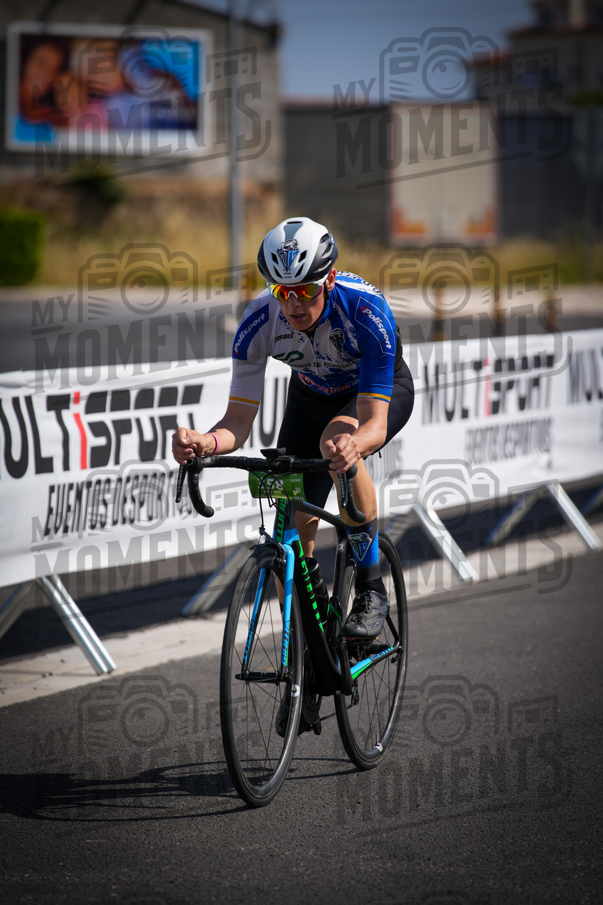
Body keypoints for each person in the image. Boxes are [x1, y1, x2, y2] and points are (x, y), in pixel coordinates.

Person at [172, 217, 414, 642]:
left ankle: (371, 587)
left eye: (305, 290)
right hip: (309, 396)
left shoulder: (365, 310)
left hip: (374, 392)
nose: (294, 304)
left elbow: (375, 423)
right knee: (291, 524)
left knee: (335, 444)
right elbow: (237, 421)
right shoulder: (259, 320)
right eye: (283, 292)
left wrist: (354, 445)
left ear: (329, 279)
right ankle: (314, 628)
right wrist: (205, 442)